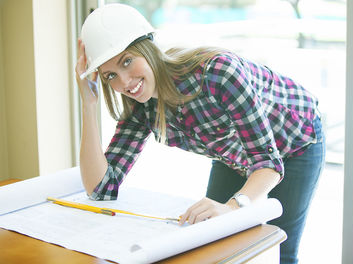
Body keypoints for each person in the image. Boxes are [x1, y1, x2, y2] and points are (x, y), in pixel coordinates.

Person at [75, 3, 325, 264]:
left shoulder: (218, 72)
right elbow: (101, 189)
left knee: (278, 248)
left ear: (148, 48)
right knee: (212, 240)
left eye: (127, 61)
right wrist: (89, 104)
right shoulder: (141, 106)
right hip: (232, 153)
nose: (124, 82)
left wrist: (232, 207)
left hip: (295, 140)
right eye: (110, 75)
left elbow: (268, 163)